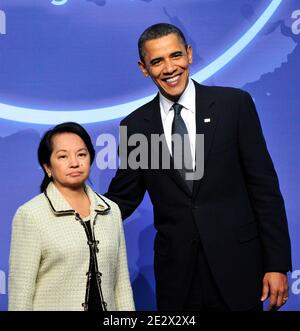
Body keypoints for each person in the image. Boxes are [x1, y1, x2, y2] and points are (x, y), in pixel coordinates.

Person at [105, 23, 292, 311]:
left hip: (239, 267)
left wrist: (277, 264)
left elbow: (264, 189)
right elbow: (123, 198)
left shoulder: (233, 106)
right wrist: (72, 208)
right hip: (178, 276)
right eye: (157, 61)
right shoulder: (136, 127)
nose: (169, 68)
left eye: (175, 55)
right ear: (144, 68)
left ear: (189, 54)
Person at [8, 122, 135, 311]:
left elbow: (121, 285)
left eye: (81, 154)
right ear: (47, 167)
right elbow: (21, 294)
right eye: (63, 156)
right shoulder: (31, 215)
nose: (74, 162)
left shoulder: (111, 210)